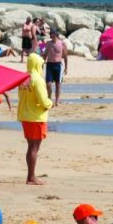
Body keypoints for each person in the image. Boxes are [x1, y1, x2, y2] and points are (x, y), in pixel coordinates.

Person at [18, 51, 52, 184]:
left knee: (31, 146)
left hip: (25, 116)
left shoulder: (24, 78)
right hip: (35, 117)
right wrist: (50, 103)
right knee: (34, 147)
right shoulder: (37, 80)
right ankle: (31, 177)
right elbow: (43, 100)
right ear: (38, 65)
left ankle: (30, 175)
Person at [42, 26, 68, 105]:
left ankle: (57, 100)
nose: (50, 34)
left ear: (55, 34)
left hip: (58, 65)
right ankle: (49, 99)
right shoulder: (48, 43)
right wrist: (42, 64)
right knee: (48, 84)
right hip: (49, 65)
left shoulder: (62, 43)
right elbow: (45, 55)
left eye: (51, 33)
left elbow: (66, 56)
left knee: (58, 84)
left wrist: (66, 68)